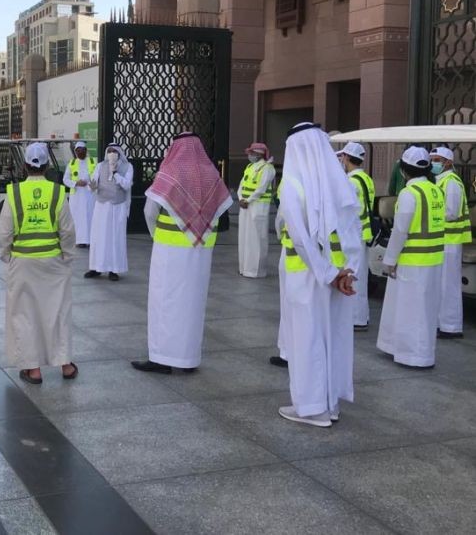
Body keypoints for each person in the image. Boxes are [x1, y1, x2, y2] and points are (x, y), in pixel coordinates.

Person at [277, 123, 360, 428]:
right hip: (338, 276)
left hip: (307, 275)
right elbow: (353, 233)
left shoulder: (292, 185)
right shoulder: (340, 181)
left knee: (307, 339)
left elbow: (300, 239)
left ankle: (312, 409)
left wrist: (327, 273)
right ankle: (331, 404)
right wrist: (347, 272)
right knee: (333, 339)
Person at [132, 133, 232, 375]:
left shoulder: (170, 172)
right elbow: (220, 208)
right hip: (201, 251)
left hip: (169, 251)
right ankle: (188, 360)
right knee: (192, 304)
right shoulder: (211, 174)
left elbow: (149, 210)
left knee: (164, 302)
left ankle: (162, 358)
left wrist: (157, 235)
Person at [0, 142, 77, 385]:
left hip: (23, 262)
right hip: (53, 262)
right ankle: (65, 364)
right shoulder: (57, 192)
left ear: (24, 166)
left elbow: (5, 232)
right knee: (57, 311)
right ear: (46, 166)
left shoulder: (13, 192)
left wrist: (7, 255)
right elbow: (67, 230)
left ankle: (33, 370)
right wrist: (66, 256)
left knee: (25, 315)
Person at [377, 147, 445, 368]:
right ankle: (417, 351)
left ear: (404, 171)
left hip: (412, 261)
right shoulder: (435, 190)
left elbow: (400, 231)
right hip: (433, 259)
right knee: (425, 309)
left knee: (409, 311)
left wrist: (388, 261)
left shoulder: (409, 194)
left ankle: (412, 355)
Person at [431, 147, 470, 339]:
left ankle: (451, 326)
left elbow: (452, 213)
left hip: (450, 240)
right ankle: (442, 323)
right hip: (442, 240)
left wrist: (429, 215)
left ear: (447, 162)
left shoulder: (452, 183)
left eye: (436, 160)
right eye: (432, 159)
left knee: (449, 285)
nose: (433, 164)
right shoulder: (441, 181)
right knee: (441, 285)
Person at [337, 142, 376, 331]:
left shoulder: (351, 181)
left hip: (355, 233)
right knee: (361, 276)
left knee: (354, 276)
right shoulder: (365, 178)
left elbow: (345, 209)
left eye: (342, 157)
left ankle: (356, 319)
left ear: (346, 158)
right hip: (364, 232)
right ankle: (361, 316)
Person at [85, 144, 133, 281]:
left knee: (115, 238)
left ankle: (114, 269)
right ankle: (96, 268)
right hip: (101, 206)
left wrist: (116, 173)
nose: (112, 153)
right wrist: (91, 185)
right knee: (98, 237)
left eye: (115, 151)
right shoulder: (101, 165)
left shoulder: (127, 166)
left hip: (118, 206)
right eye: (109, 151)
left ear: (119, 153)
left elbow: (126, 185)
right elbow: (94, 182)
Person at [238, 142, 276, 278]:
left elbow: (261, 188)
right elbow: (242, 185)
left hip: (258, 206)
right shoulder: (249, 167)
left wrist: (248, 200)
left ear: (259, 154)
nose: (250, 155)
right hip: (245, 206)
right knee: (244, 238)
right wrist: (241, 198)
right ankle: (245, 268)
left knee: (257, 239)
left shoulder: (267, 168)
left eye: (252, 153)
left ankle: (256, 271)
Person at [63, 141, 96, 248]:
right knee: (77, 217)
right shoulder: (72, 163)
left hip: (89, 194)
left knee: (90, 215)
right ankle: (79, 241)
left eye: (83, 150)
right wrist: (76, 183)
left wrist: (90, 182)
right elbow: (65, 179)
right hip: (76, 194)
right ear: (75, 152)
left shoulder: (92, 161)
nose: (81, 152)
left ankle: (91, 240)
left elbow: (97, 176)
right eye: (78, 150)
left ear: (86, 151)